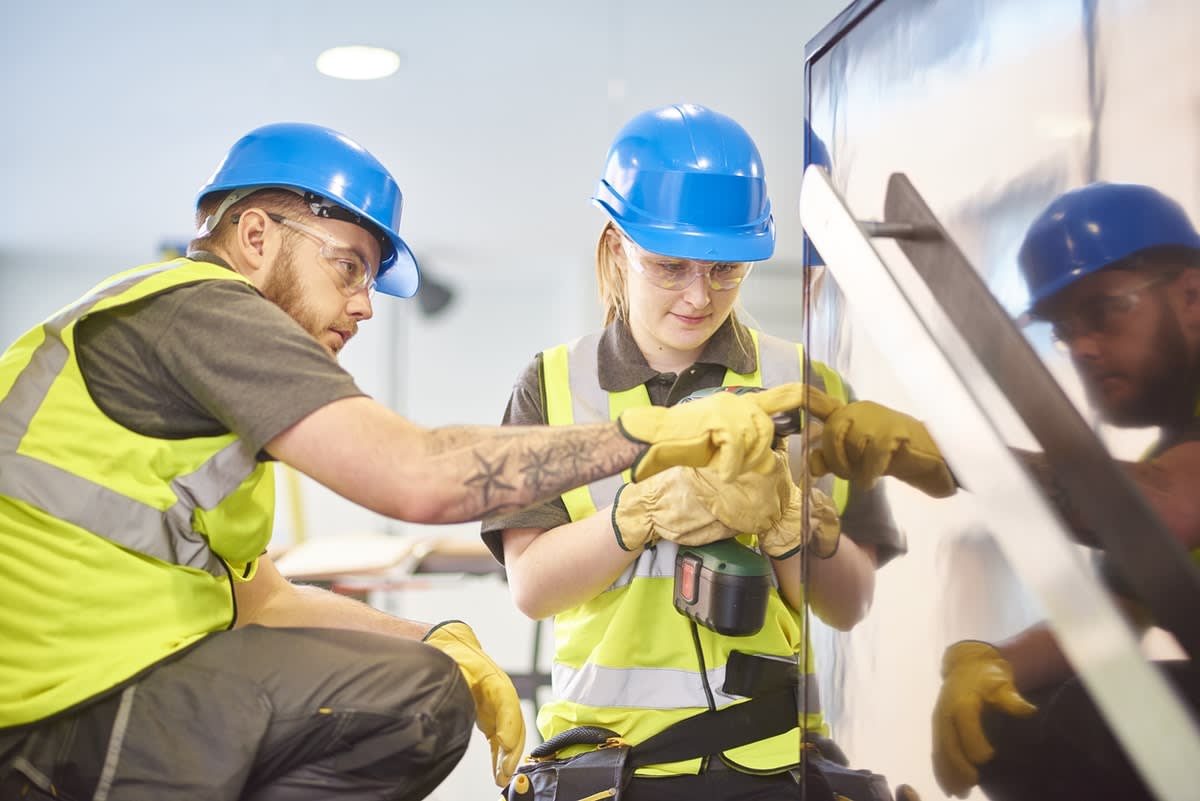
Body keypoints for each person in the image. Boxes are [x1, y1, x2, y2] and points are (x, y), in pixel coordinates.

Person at [0, 121, 813, 801]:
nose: (362, 303)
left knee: (419, 669)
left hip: (72, 699)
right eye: (348, 265)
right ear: (254, 236)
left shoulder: (182, 373)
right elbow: (420, 474)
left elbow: (257, 597)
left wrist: (436, 632)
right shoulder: (205, 307)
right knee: (415, 702)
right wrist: (650, 440)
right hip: (58, 714)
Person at [480, 104, 905, 801]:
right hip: (612, 766)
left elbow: (851, 603)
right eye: (670, 266)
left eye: (725, 269)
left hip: (768, 765)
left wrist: (786, 523)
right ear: (618, 247)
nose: (699, 295)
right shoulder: (552, 386)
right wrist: (638, 515)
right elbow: (532, 585)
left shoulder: (806, 385)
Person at [801, 182, 1200, 800]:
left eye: (1103, 310)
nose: (1084, 349)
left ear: (1193, 294)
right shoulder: (1174, 446)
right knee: (1014, 718)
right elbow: (1112, 623)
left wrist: (953, 453)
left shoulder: (1171, 475)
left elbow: (1166, 509)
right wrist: (990, 660)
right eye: (1064, 331)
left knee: (1087, 723)